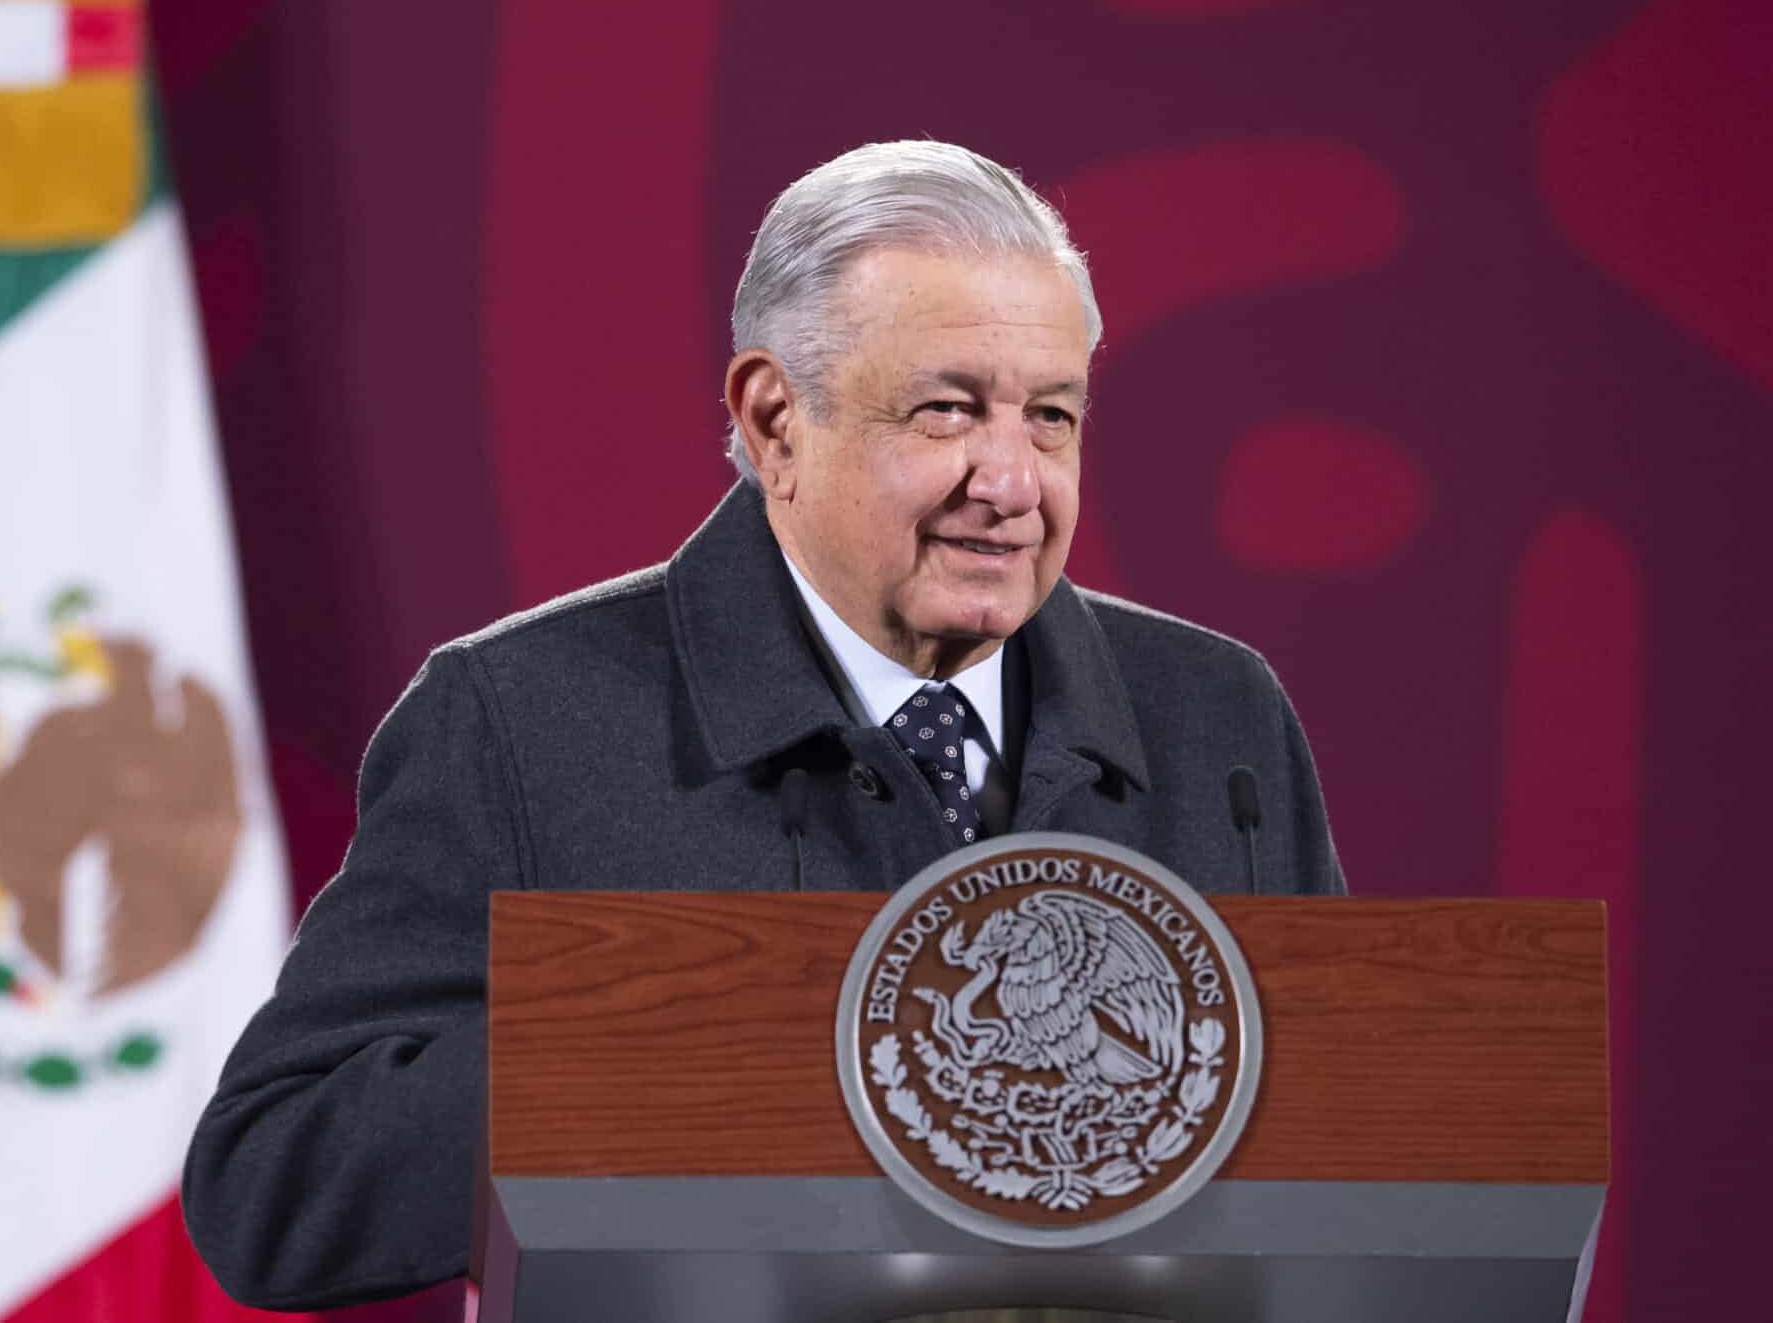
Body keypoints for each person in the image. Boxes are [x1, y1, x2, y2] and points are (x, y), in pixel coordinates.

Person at [181, 140, 1345, 1311]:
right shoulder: (520, 722)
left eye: (1048, 417)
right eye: (946, 410)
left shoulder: (1213, 718)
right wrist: (663, 1049)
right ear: (775, 418)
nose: (1011, 480)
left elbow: (1353, 1151)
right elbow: (275, 1177)